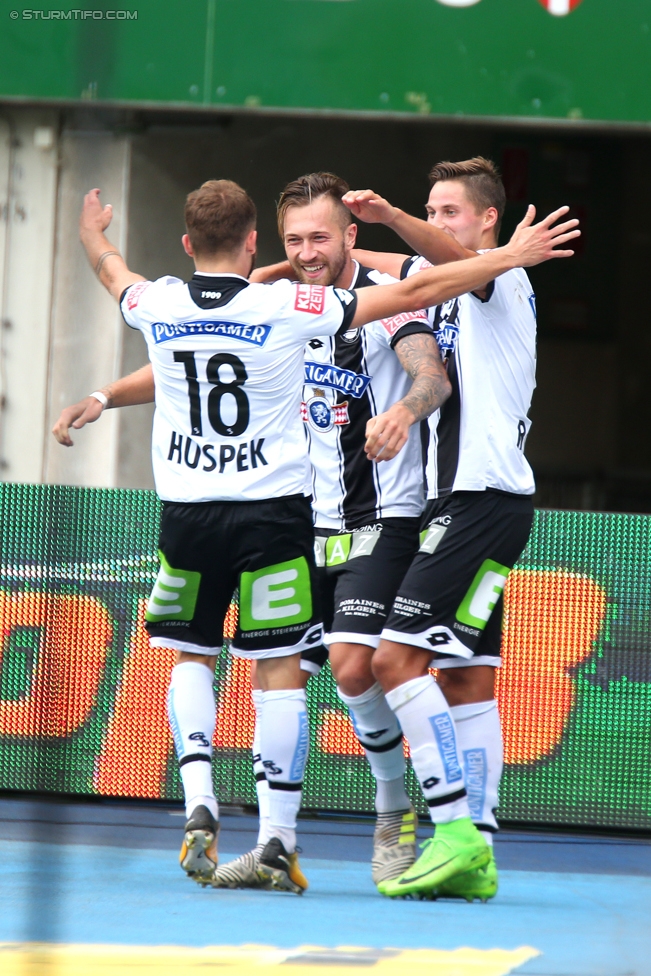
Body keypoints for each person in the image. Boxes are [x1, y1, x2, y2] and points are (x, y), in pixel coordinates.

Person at [71, 176, 577, 897]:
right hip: (304, 523)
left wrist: (404, 408)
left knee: (355, 666)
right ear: (265, 243)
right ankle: (278, 842)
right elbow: (184, 355)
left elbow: (428, 364)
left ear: (350, 238)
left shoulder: (376, 295)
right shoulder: (278, 302)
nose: (308, 251)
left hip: (387, 519)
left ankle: (401, 813)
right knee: (282, 673)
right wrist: (101, 395)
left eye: (321, 236)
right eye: (294, 240)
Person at [342, 157, 553, 901]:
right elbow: (390, 259)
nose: (436, 222)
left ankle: (453, 830)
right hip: (475, 507)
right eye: (431, 209)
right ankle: (481, 849)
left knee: (393, 665)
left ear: (488, 221)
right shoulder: (447, 278)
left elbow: (441, 257)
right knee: (465, 677)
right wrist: (324, 245)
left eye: (449, 210)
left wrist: (397, 215)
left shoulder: (500, 276)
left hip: (478, 501)